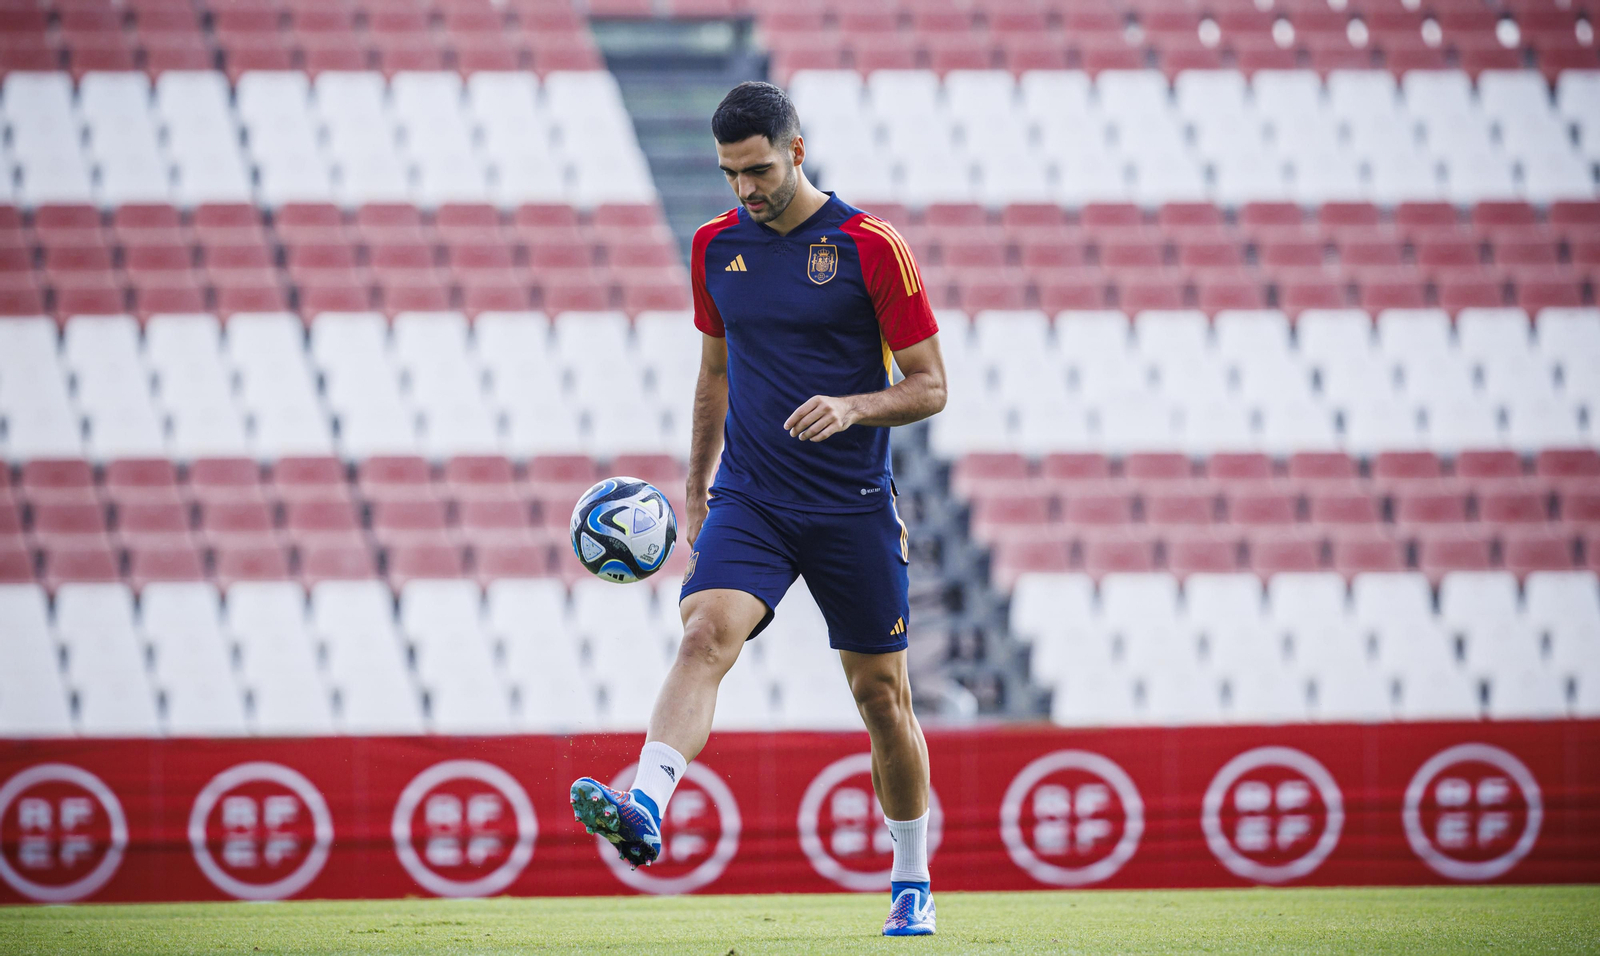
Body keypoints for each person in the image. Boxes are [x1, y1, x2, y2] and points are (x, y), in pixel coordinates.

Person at [570, 80, 947, 937]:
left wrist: (853, 405)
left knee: (882, 697)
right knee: (704, 631)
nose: (745, 188)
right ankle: (647, 805)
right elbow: (713, 372)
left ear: (797, 151)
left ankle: (911, 874)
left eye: (759, 169)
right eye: (730, 173)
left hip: (851, 504)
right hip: (754, 497)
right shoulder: (713, 247)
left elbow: (931, 386)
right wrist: (698, 490)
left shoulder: (871, 245)